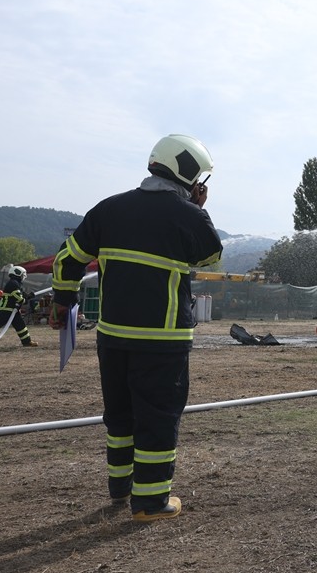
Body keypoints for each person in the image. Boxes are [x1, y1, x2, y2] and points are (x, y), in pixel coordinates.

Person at [51, 134, 223, 522]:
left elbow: (67, 259)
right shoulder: (190, 216)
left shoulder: (109, 209)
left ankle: (120, 487)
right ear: (189, 175)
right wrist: (197, 208)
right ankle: (150, 502)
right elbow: (210, 254)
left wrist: (63, 301)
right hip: (162, 342)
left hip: (113, 338)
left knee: (120, 415)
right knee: (158, 418)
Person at [0, 266, 39, 347]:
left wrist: (27, 296)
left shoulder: (15, 283)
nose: (23, 277)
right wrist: (27, 299)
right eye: (22, 274)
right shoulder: (13, 283)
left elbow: (21, 294)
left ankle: (26, 342)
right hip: (7, 309)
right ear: (17, 273)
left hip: (13, 310)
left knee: (21, 325)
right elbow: (19, 298)